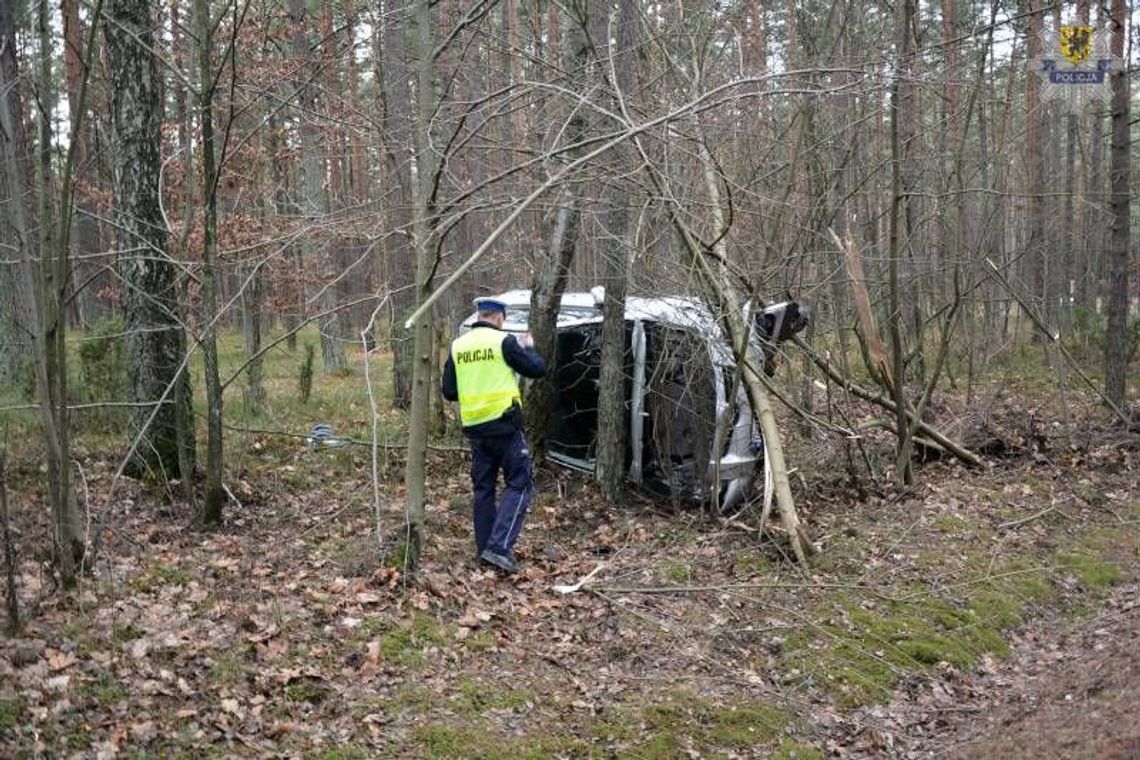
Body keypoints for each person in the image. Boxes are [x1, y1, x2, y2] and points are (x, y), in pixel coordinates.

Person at [441, 297, 546, 573]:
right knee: (520, 483)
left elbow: (449, 391)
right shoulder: (505, 342)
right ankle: (498, 547)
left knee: (483, 489)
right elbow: (538, 369)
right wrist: (528, 348)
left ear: (479, 315)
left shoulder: (458, 346)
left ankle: (485, 549)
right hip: (505, 426)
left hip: (475, 429)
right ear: (499, 318)